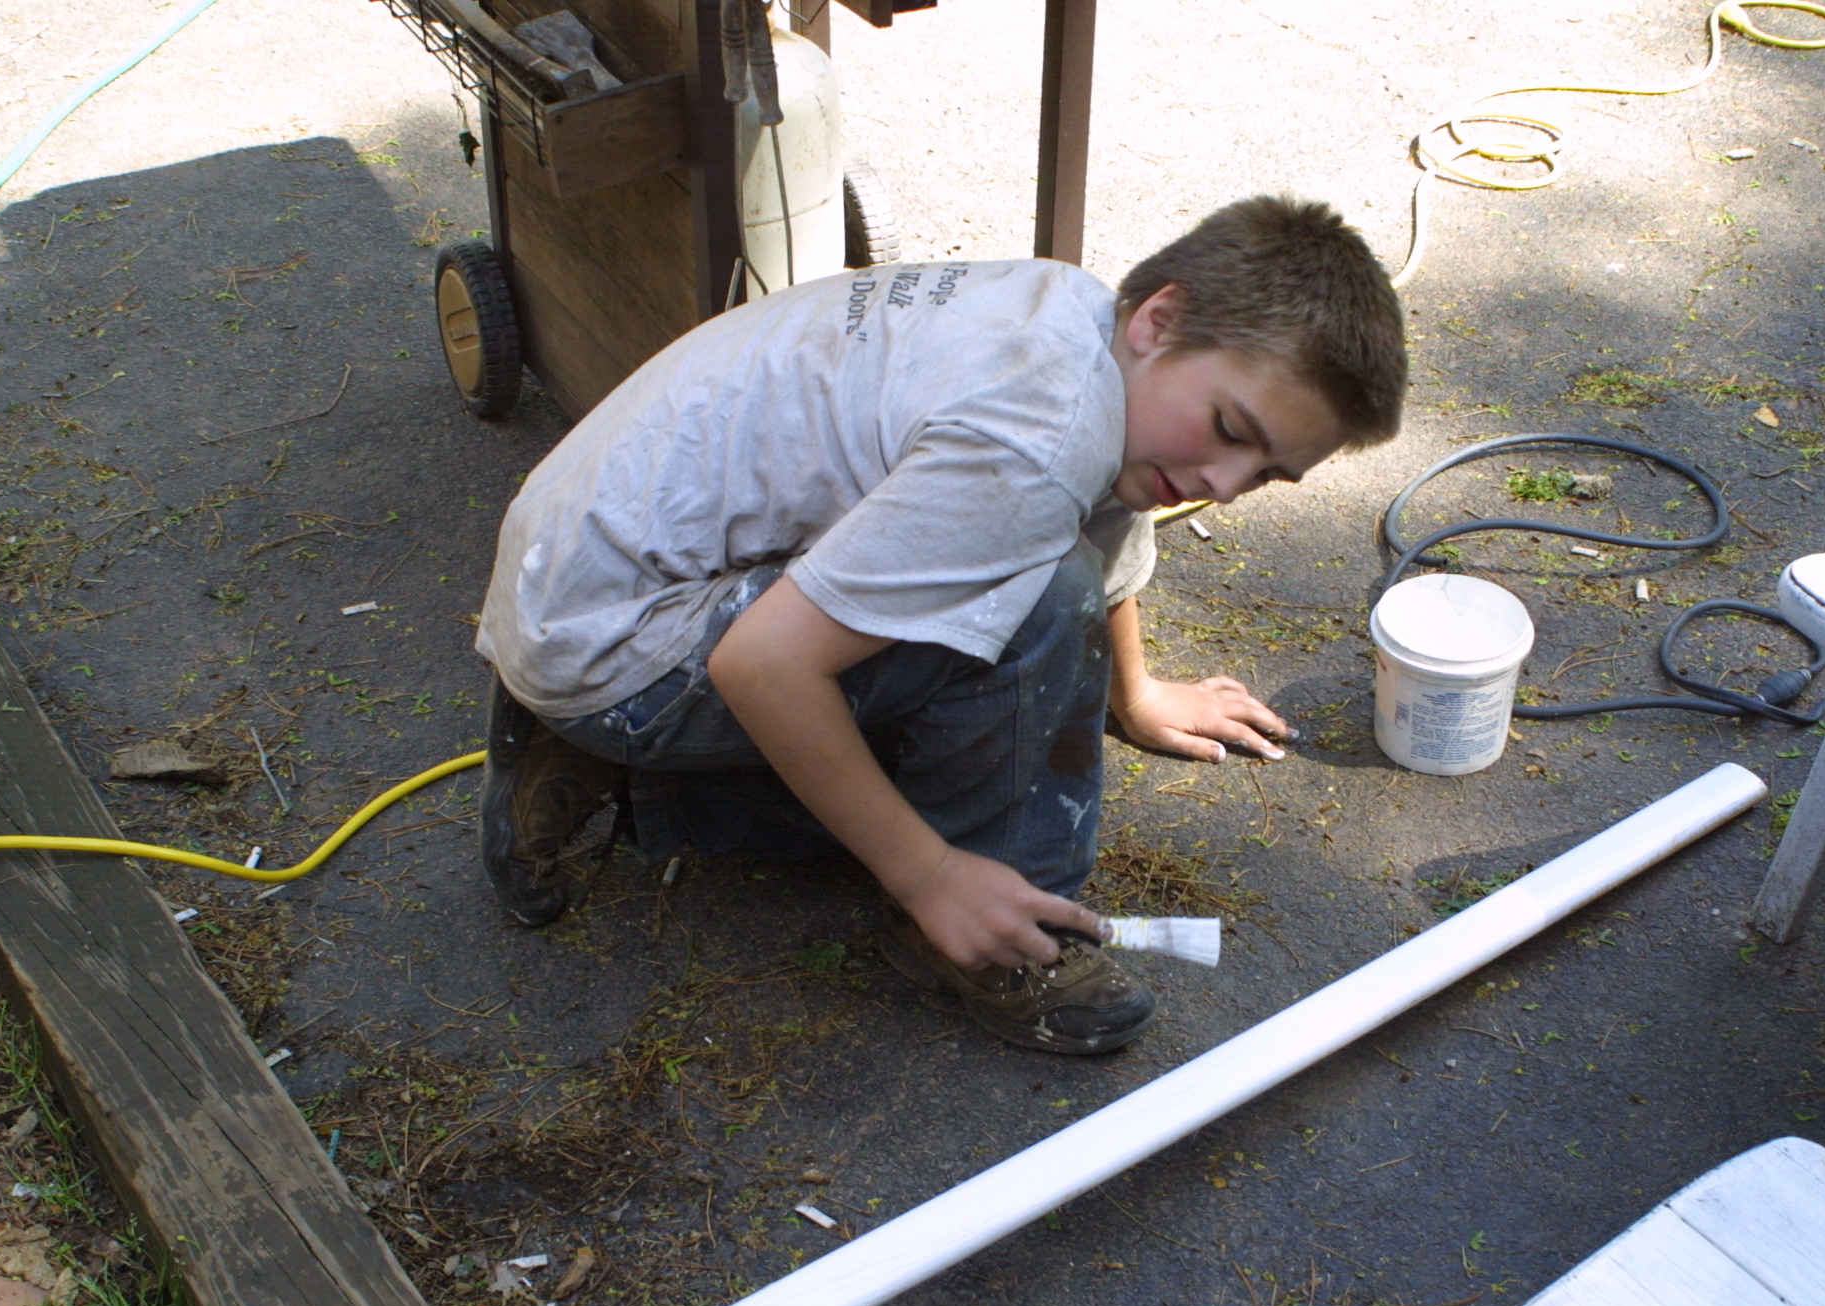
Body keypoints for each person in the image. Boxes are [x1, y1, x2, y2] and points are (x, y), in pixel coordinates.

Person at [474, 195, 1406, 1055]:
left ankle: (603, 764)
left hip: (581, 577)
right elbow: (764, 666)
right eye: (1232, 430)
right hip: (619, 642)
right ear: (1160, 319)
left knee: (1027, 591)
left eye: (1266, 474)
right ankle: (994, 931)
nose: (1225, 484)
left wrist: (1137, 694)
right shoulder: (1036, 446)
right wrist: (930, 878)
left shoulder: (1080, 325)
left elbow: (1102, 513)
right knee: (1037, 606)